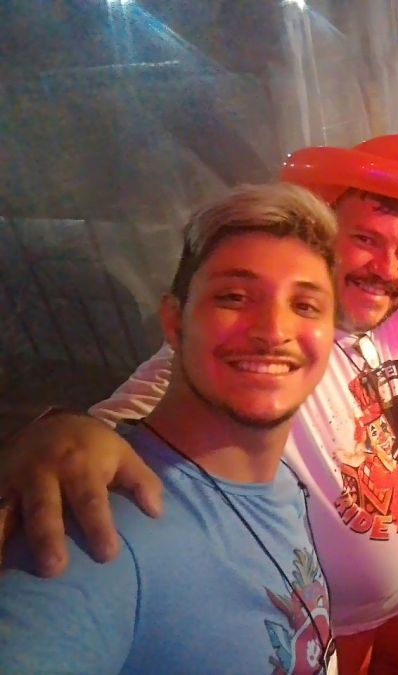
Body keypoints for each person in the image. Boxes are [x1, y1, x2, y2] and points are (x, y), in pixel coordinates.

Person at [0, 137, 398, 675]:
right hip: (337, 625)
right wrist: (67, 433)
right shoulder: (269, 358)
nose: (385, 268)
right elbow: (130, 416)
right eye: (365, 239)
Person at [0, 184, 339, 673]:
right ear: (175, 323)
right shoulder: (100, 528)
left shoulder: (283, 484)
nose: (273, 331)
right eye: (234, 297)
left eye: (305, 305)